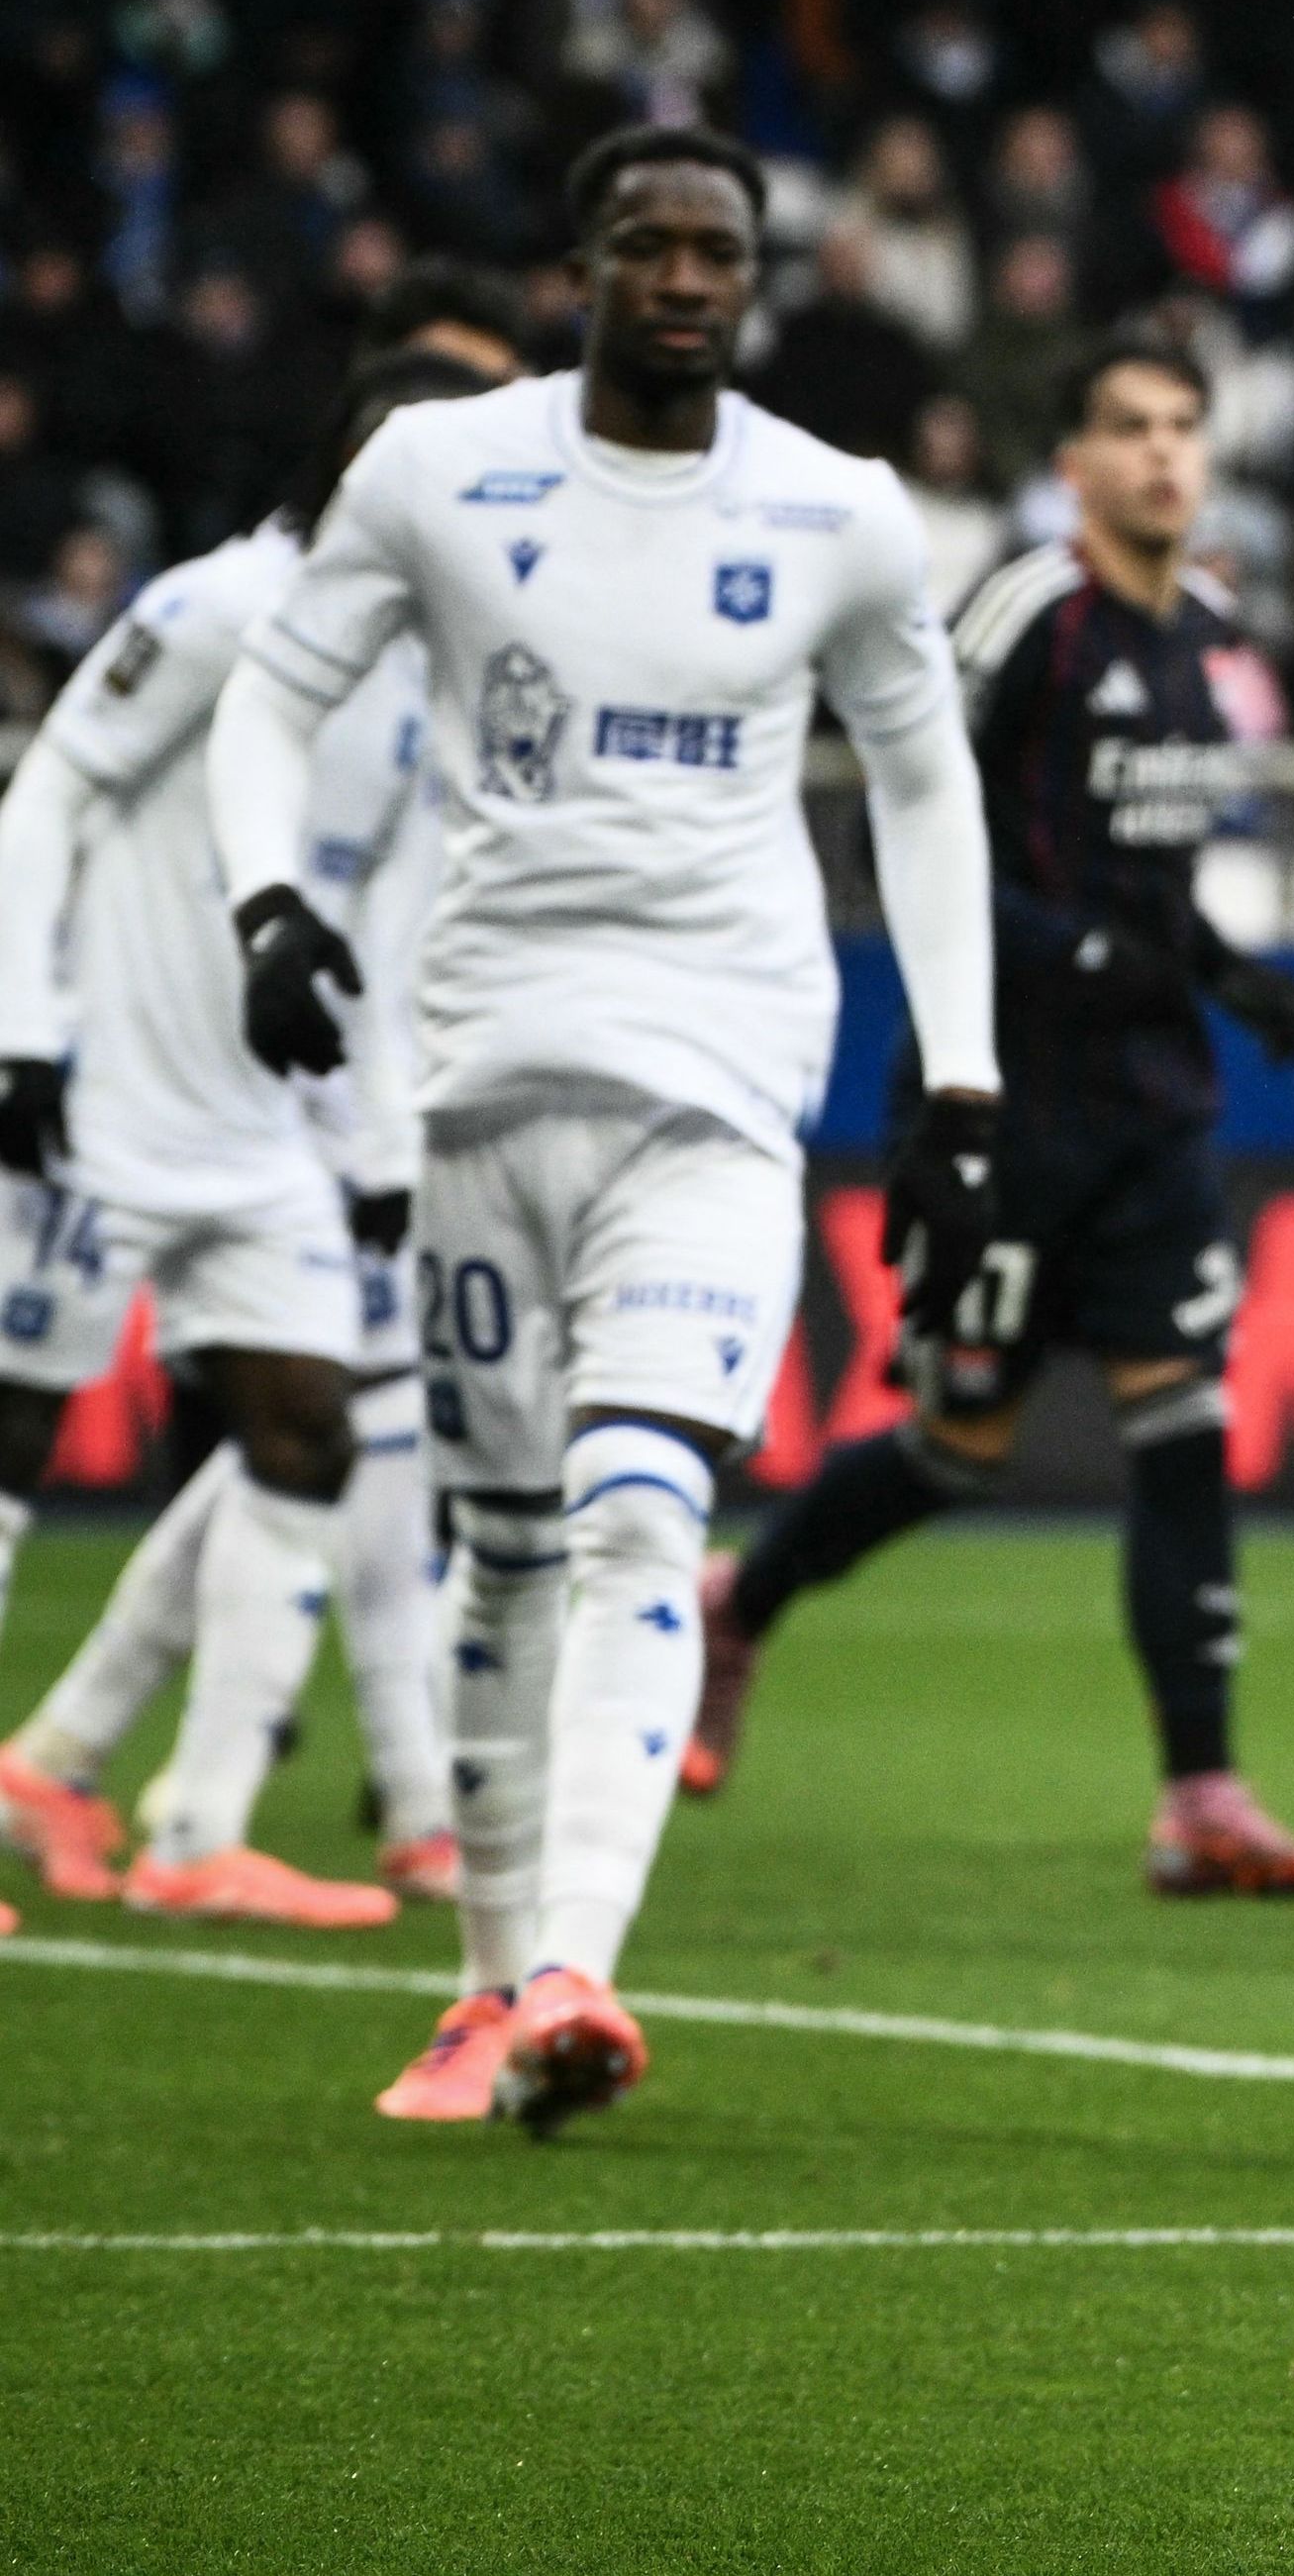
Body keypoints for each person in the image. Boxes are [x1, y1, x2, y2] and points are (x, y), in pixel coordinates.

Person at [199, 126, 1010, 2137]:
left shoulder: (836, 513)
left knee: (639, 1504)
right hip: (480, 1073)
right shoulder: (442, 472)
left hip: (721, 1085)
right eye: (644, 242)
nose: (679, 275)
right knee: (496, 1555)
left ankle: (575, 1965)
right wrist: (269, 902)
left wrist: (963, 1076)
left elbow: (923, 789)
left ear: (753, 275)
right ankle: (485, 1987)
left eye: (714, 248)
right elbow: (265, 701)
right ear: (585, 264)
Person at [690, 339, 1294, 1897]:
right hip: (1008, 1093)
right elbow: (910, 819)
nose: (1165, 457)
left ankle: (1201, 1791)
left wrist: (1231, 974)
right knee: (958, 1443)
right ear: (1076, 462)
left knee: (1184, 1426)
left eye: (1186, 426)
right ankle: (744, 1600)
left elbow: (1150, 882)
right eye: (1130, 429)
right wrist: (1080, 956)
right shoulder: (1024, 613)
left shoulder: (1215, 634)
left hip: (1152, 1106)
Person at [0, 351, 507, 1931]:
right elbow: (49, 792)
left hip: (259, 1129)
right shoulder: (216, 609)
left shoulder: (421, 677)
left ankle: (197, 1829)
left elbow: (377, 927)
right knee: (7, 1447)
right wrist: (18, 1019)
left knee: (308, 1431)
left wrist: (369, 1142)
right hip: (102, 1102)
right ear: (344, 460)